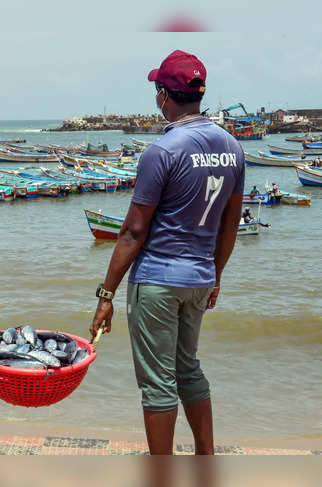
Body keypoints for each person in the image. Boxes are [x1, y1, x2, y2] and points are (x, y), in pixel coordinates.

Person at [90, 50, 244, 455]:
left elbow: (132, 232)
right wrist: (216, 275)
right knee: (188, 369)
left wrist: (105, 295)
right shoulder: (233, 148)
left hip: (158, 280)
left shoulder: (163, 151)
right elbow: (230, 225)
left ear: (163, 96)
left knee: (158, 384)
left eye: (157, 91)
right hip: (199, 279)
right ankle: (204, 459)